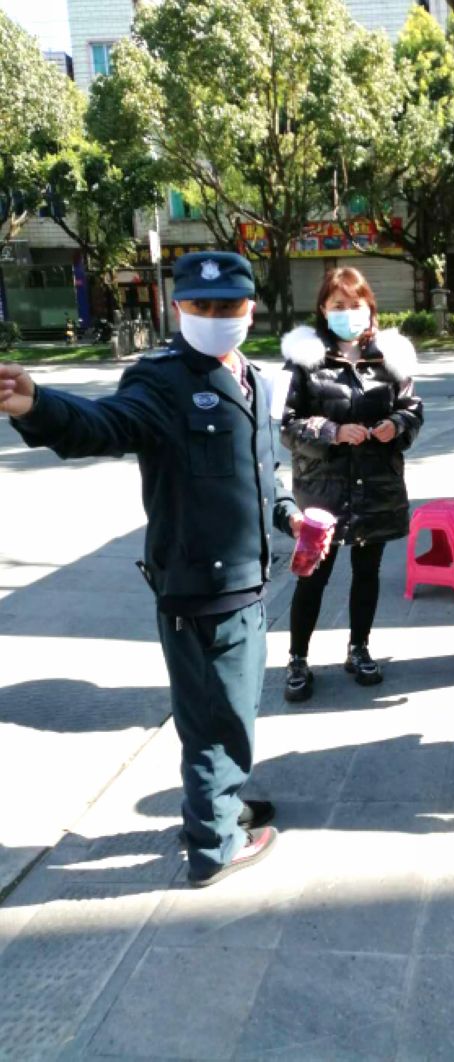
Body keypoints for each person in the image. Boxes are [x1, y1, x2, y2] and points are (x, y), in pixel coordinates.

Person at [0, 251, 305, 887]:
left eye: (228, 305)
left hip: (246, 580)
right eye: (202, 306)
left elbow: (260, 471)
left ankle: (220, 804)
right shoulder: (161, 380)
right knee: (212, 720)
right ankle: (214, 844)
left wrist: (289, 514)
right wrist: (38, 406)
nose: (216, 316)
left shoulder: (250, 375)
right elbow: (105, 425)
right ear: (178, 308)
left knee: (233, 710)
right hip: (199, 585)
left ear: (251, 308)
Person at [279, 266, 423, 701]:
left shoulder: (391, 357)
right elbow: (286, 424)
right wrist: (331, 431)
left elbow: (412, 409)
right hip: (323, 489)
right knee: (313, 574)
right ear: (324, 309)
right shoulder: (305, 359)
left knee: (367, 573)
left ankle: (358, 648)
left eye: (355, 304)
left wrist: (396, 425)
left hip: (376, 484)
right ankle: (297, 659)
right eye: (338, 304)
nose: (348, 312)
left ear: (369, 307)